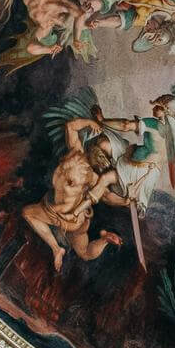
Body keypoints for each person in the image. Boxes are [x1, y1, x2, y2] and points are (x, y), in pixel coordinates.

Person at [20, 116, 128, 272]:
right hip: (57, 209)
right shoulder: (76, 151)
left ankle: (59, 248)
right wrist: (90, 122)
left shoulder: (91, 176)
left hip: (66, 217)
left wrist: (125, 201)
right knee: (83, 253)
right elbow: (70, 126)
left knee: (27, 213)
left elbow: (107, 197)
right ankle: (100, 240)